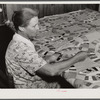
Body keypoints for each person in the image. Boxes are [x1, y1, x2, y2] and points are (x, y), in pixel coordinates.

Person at [5, 8, 87, 88]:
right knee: (66, 83)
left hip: (27, 81)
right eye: (34, 26)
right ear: (21, 28)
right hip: (30, 87)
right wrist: (77, 57)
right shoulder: (21, 48)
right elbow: (52, 71)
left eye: (38, 24)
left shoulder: (19, 40)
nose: (38, 28)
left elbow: (30, 61)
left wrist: (47, 59)